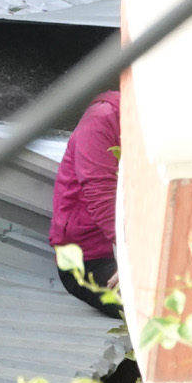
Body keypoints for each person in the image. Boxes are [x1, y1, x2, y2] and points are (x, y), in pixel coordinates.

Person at [49, 89, 121, 314]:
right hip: (89, 259)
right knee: (155, 306)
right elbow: (102, 199)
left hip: (139, 250)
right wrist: (135, 265)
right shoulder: (102, 120)